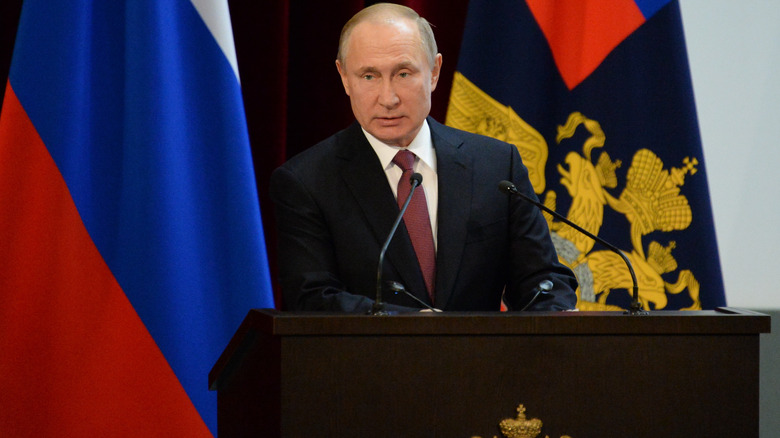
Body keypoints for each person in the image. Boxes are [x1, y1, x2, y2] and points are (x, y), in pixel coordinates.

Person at [269, 3, 577, 313]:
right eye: (369, 76)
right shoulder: (306, 181)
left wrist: (556, 313)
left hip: (485, 361)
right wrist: (416, 327)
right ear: (344, 77)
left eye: (403, 73)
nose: (388, 98)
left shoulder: (496, 166)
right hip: (370, 361)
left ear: (433, 72)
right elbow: (312, 298)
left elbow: (542, 278)